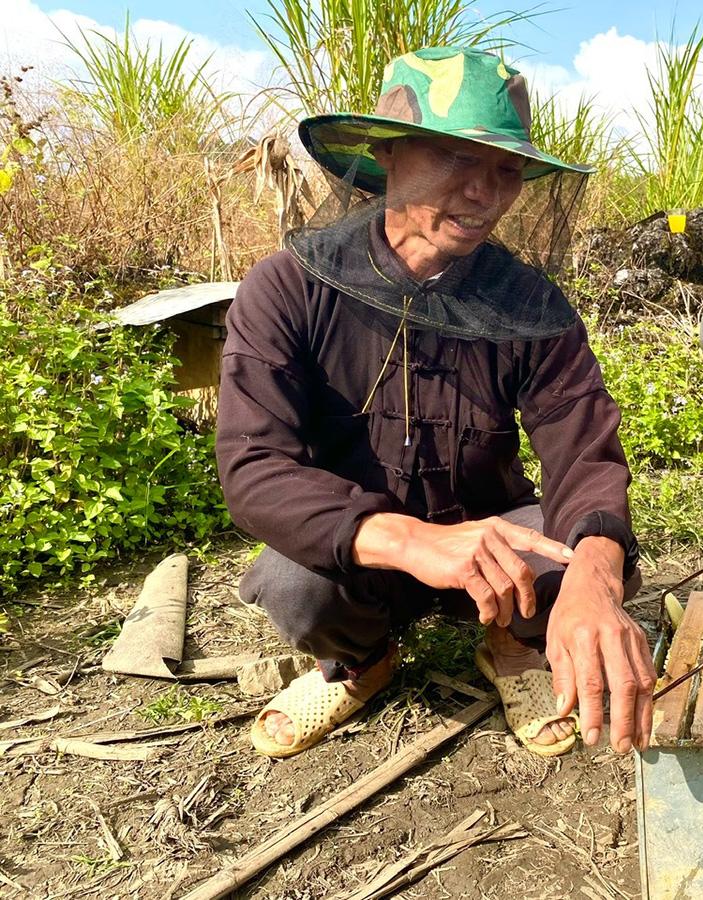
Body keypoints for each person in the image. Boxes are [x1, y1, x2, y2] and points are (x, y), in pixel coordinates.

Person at [215, 47, 656, 759]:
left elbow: (583, 450)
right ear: (388, 152)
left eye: (505, 170)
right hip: (369, 555)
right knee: (292, 583)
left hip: (494, 540)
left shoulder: (530, 306)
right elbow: (255, 468)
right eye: (457, 160)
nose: (485, 192)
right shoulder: (286, 291)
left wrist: (596, 577)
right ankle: (362, 661)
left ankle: (512, 645)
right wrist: (413, 540)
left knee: (593, 553)